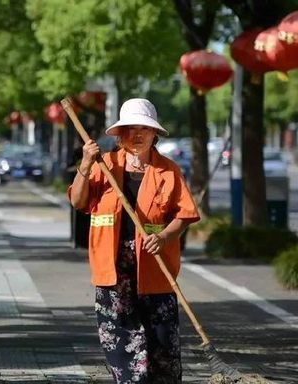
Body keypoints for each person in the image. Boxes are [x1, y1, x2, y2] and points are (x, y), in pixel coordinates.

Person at [67, 98, 200, 383]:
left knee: (162, 349)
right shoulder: (104, 166)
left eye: (144, 128)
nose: (137, 135)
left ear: (155, 135)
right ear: (120, 134)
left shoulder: (169, 171)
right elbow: (78, 201)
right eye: (130, 129)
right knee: (122, 350)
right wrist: (86, 164)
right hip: (113, 273)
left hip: (155, 270)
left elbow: (186, 214)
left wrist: (164, 237)